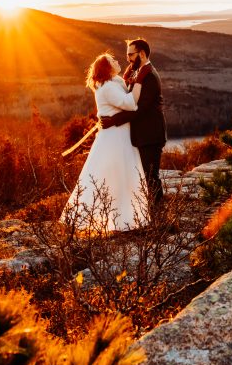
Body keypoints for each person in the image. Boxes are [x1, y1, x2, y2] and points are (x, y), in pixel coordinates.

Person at [60, 52, 150, 233]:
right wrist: (139, 81)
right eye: (112, 61)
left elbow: (124, 89)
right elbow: (130, 104)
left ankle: (125, 220)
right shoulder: (108, 87)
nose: (117, 61)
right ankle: (114, 220)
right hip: (115, 137)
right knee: (115, 174)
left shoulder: (113, 82)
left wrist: (128, 78)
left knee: (119, 174)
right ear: (107, 68)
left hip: (118, 134)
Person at [99, 38, 167, 208]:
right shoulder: (139, 72)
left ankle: (159, 215)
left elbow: (140, 109)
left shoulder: (149, 76)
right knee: (145, 176)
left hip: (150, 134)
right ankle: (151, 214)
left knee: (151, 176)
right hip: (142, 135)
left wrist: (113, 121)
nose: (127, 58)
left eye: (131, 54)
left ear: (142, 54)